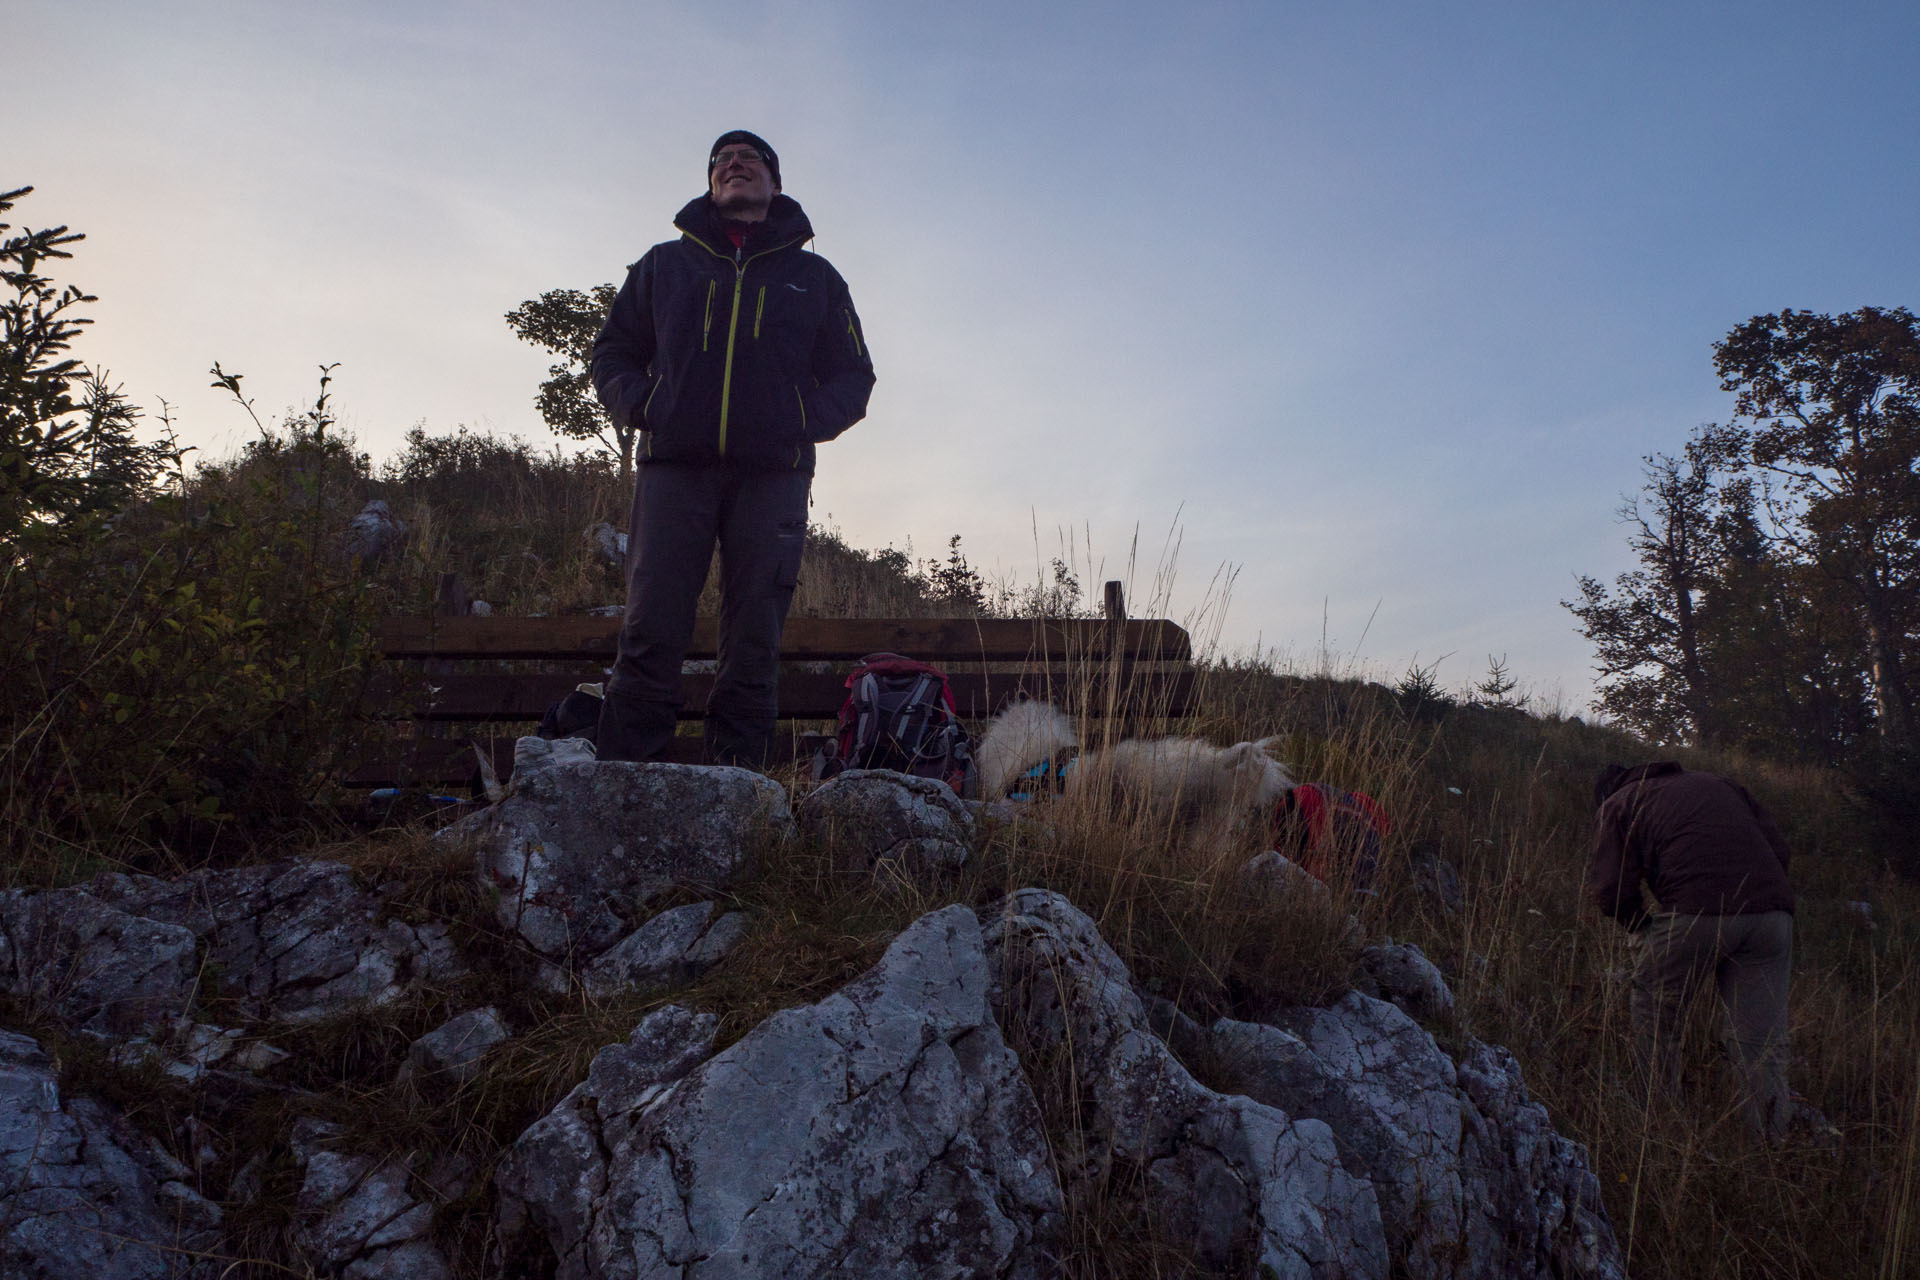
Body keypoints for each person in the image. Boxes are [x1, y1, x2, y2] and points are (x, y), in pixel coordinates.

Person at [591, 131, 875, 767]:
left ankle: (740, 795)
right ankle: (626, 784)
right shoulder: (664, 265)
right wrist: (645, 405)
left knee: (753, 639)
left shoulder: (816, 278)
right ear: (710, 184)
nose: (734, 164)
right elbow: (612, 352)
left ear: (774, 185)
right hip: (673, 472)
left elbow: (855, 377)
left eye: (749, 159)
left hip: (772, 478)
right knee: (650, 628)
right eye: (721, 161)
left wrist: (799, 419)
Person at [1589, 761, 1795, 1139]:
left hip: (1696, 911)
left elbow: (1610, 890)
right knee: (1761, 1041)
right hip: (1773, 917)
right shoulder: (1720, 781)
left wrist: (1642, 927)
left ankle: (1658, 1124)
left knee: (1654, 1007)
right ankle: (1771, 1144)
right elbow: (1779, 851)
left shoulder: (1618, 802)